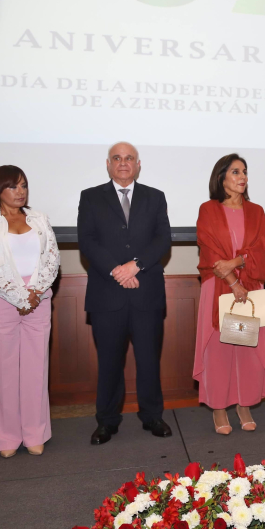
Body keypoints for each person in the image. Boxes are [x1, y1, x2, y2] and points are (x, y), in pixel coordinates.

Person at [78, 142, 172, 445]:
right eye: (117, 158)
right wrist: (117, 270)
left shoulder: (155, 197)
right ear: (108, 164)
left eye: (128, 158)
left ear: (138, 164)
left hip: (147, 294)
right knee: (109, 362)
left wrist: (136, 265)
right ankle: (106, 421)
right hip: (107, 295)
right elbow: (87, 241)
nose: (123, 163)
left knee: (148, 360)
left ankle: (152, 416)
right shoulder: (91, 197)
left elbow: (163, 240)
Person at [0, 166, 59, 458]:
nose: (20, 192)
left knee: (35, 368)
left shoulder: (40, 219)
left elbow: (52, 259)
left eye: (23, 186)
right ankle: (3, 436)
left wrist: (34, 293)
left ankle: (34, 432)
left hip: (38, 299)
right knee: (2, 371)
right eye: (13, 187)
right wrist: (19, 296)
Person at [194, 154, 265, 434]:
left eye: (245, 172)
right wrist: (232, 281)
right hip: (219, 289)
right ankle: (218, 409)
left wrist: (236, 263)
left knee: (246, 348)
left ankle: (244, 404)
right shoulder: (208, 210)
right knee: (219, 349)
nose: (242, 177)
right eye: (236, 172)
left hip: (251, 286)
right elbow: (211, 252)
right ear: (221, 178)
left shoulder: (256, 211)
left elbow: (261, 249)